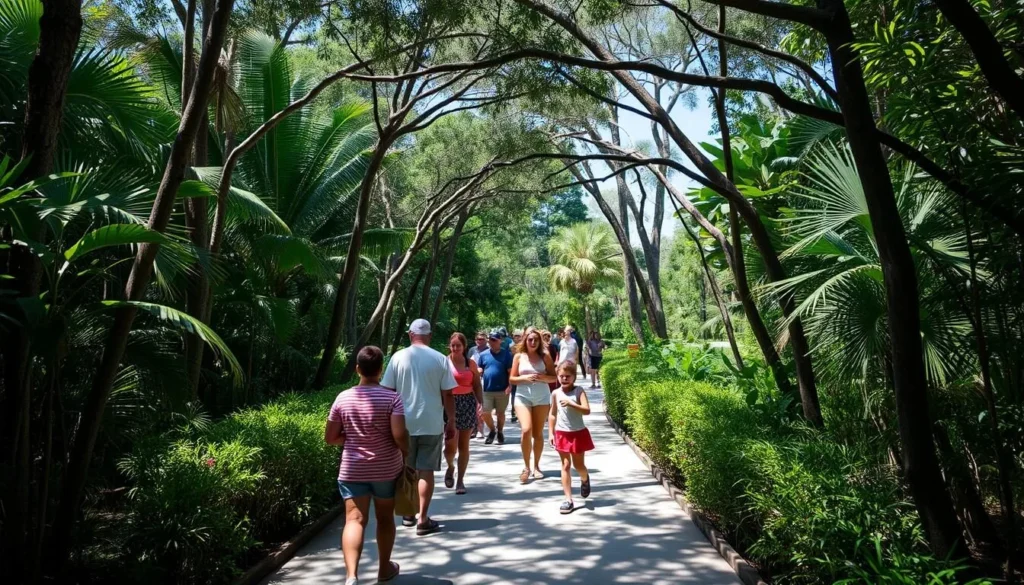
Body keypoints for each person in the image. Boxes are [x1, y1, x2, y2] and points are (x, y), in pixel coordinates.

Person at [325, 346, 405, 585]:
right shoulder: (393, 398)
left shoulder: (343, 398)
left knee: (354, 520)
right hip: (386, 469)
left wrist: (350, 439)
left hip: (352, 470)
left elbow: (330, 438)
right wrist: (407, 452)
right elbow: (399, 435)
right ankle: (384, 569)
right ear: (381, 370)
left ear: (358, 369)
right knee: (385, 518)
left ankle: (351, 577)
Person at [380, 319, 457, 536]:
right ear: (430, 336)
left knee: (408, 469)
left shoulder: (398, 357)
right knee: (426, 471)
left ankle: (408, 514)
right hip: (432, 423)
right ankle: (423, 518)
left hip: (403, 423)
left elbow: (388, 391)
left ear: (409, 334)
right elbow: (448, 394)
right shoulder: (441, 359)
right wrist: (451, 421)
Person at [509, 326, 557, 484]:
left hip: (542, 397)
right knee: (526, 429)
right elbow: (512, 379)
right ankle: (526, 467)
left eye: (536, 339)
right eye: (530, 339)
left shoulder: (545, 356)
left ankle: (536, 466)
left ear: (540, 341)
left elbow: (553, 378)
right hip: (523, 397)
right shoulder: (518, 357)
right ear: (525, 340)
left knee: (537, 433)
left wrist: (542, 377)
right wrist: (525, 378)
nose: (533, 342)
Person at [548, 361, 594, 514]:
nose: (564, 379)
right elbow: (552, 414)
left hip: (578, 433)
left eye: (568, 376)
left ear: (574, 377)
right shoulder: (555, 393)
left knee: (578, 465)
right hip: (562, 433)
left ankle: (584, 478)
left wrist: (571, 404)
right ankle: (568, 499)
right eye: (561, 376)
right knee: (565, 465)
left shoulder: (579, 391)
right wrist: (551, 433)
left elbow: (587, 410)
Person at [444, 333, 483, 495]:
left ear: (464, 346)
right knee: (450, 446)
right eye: (453, 345)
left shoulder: (470, 363)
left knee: (464, 445)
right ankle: (450, 466)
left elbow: (476, 385)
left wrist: (480, 403)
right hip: (449, 404)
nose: (455, 348)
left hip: (467, 403)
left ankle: (460, 480)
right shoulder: (444, 363)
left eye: (458, 345)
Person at [476, 330, 513, 445]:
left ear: (500, 341)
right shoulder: (483, 355)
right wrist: (478, 371)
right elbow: (479, 369)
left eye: (494, 340)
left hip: (502, 390)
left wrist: (510, 386)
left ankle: (500, 432)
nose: (491, 342)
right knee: (485, 413)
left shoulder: (507, 355)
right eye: (490, 340)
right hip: (487, 390)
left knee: (500, 413)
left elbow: (510, 372)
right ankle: (492, 430)